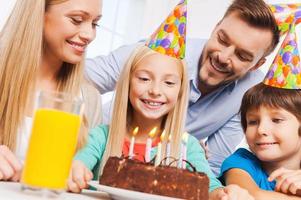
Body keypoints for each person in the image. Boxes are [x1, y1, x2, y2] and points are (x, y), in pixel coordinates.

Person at [84, 0, 280, 175]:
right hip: (98, 154)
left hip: (160, 175)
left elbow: (210, 167)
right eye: (222, 39)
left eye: (242, 56)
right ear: (215, 28)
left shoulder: (249, 94)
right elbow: (81, 77)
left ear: (256, 64)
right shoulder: (161, 50)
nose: (223, 57)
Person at [67, 44, 253, 199]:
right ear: (128, 83)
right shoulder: (100, 137)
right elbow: (80, 163)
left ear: (180, 92)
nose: (155, 90)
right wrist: (75, 170)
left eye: (169, 83)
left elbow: (210, 188)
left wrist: (225, 194)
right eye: (144, 78)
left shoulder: (188, 147)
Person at [0, 0, 102, 181]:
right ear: (39, 14)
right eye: (77, 20)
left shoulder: (89, 99)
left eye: (94, 24)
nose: (90, 34)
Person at [219, 82, 301, 199]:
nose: (261, 130)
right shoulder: (240, 162)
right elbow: (252, 197)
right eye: (253, 122)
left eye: (276, 120)